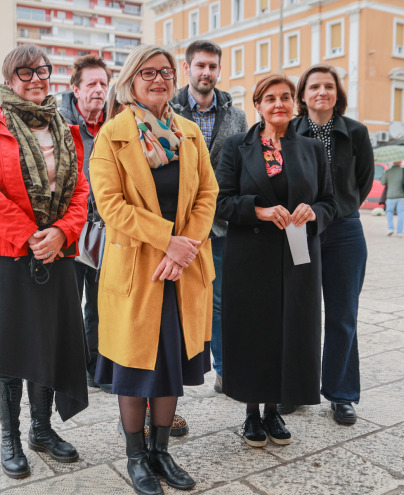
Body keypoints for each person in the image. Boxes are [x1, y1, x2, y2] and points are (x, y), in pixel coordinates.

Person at [0, 44, 90, 479]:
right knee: (8, 348)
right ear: (9, 79)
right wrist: (29, 235)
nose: (35, 79)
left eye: (42, 71)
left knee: (47, 342)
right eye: (24, 73)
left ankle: (41, 429)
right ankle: (10, 437)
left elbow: (81, 192)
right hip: (3, 255)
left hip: (56, 252)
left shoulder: (66, 131)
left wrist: (63, 233)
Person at [90, 44, 217, 495]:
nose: (159, 79)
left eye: (165, 72)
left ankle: (162, 451)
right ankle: (136, 456)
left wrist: (185, 249)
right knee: (134, 366)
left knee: (169, 366)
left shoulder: (188, 133)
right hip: (137, 270)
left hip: (182, 269)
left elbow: (208, 193)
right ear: (131, 79)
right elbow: (110, 205)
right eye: (148, 72)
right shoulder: (114, 134)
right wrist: (168, 240)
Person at [216, 74, 336, 448]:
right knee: (254, 333)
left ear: (295, 104)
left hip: (297, 257)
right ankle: (252, 411)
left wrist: (313, 212)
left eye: (285, 97)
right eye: (270, 98)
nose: (279, 104)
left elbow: (331, 203)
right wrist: (261, 211)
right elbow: (220, 202)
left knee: (290, 332)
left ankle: (274, 410)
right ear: (258, 104)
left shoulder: (312, 149)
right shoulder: (237, 146)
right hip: (250, 257)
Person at [291, 64, 374, 425]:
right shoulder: (290, 130)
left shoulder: (355, 131)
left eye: (329, 86)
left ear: (337, 93)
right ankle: (294, 389)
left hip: (343, 232)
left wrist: (340, 208)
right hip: (301, 230)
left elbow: (363, 181)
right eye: (314, 87)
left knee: (342, 315)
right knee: (298, 313)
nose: (322, 92)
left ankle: (341, 394)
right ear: (303, 94)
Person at [170, 39, 248, 395]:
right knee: (171, 301)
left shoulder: (236, 115)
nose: (207, 72)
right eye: (200, 65)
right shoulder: (167, 109)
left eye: (213, 66)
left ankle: (226, 370)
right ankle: (169, 378)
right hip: (175, 224)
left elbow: (242, 169)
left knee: (221, 301)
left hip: (220, 223)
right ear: (187, 68)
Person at [59, 54, 112, 393]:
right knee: (66, 303)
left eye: (103, 84)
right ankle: (67, 367)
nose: (98, 90)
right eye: (91, 84)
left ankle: (96, 365)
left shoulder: (117, 122)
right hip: (69, 229)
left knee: (100, 302)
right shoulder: (58, 123)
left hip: (106, 229)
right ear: (75, 89)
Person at [381, 160, 404, 237]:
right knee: (401, 213)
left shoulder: (388, 171)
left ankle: (390, 228)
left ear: (393, 163)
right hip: (401, 196)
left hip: (390, 196)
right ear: (400, 163)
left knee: (389, 212)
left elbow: (382, 182)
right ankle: (399, 232)